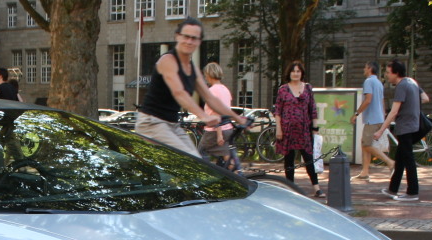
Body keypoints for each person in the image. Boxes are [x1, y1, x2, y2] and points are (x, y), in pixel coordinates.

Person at [137, 18, 247, 157]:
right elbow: (179, 93)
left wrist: (237, 118)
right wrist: (204, 116)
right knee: (188, 161)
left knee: (196, 161)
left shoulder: (192, 68)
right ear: (177, 36)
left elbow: (210, 98)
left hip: (172, 125)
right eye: (186, 37)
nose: (189, 41)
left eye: (194, 38)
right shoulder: (167, 61)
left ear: (199, 42)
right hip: (151, 123)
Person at [375, 60, 428, 202]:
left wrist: (380, 131)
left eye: (388, 72)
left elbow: (393, 112)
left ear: (396, 73)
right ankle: (393, 188)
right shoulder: (412, 82)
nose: (386, 75)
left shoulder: (401, 86)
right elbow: (425, 98)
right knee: (400, 159)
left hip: (405, 127)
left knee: (408, 160)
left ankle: (412, 192)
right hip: (413, 125)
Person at [274, 61, 323, 197]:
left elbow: (312, 109)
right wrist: (279, 129)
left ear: (302, 73)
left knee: (308, 158)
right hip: (287, 129)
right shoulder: (283, 89)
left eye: (298, 71)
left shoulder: (307, 88)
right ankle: (291, 188)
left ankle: (317, 187)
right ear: (289, 73)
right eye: (293, 71)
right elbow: (277, 110)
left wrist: (315, 127)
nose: (295, 74)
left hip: (304, 129)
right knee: (288, 159)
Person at [197, 61, 242, 171]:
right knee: (224, 153)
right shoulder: (225, 89)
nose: (205, 77)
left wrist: (219, 134)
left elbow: (217, 112)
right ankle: (232, 171)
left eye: (205, 74)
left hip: (214, 129)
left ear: (208, 74)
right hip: (228, 127)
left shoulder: (212, 91)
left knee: (200, 151)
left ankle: (207, 173)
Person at [351, 60, 393, 179]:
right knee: (366, 144)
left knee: (366, 144)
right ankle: (365, 172)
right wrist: (384, 117)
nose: (364, 70)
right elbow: (382, 101)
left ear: (369, 68)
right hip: (379, 117)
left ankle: (390, 162)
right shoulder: (379, 83)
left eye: (365, 67)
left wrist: (356, 113)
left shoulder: (368, 82)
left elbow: (368, 100)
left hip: (371, 118)